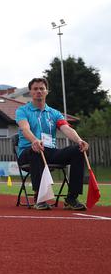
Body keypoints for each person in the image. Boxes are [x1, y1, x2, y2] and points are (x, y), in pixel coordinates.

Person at [16, 77, 89, 211]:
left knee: (79, 150)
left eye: (41, 88)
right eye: (35, 89)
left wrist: (79, 140)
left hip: (50, 151)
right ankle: (40, 198)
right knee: (37, 150)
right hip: (29, 152)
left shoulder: (54, 113)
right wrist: (35, 141)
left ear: (47, 91)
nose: (39, 91)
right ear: (30, 92)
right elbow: (25, 128)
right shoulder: (22, 111)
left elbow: (66, 128)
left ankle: (71, 198)